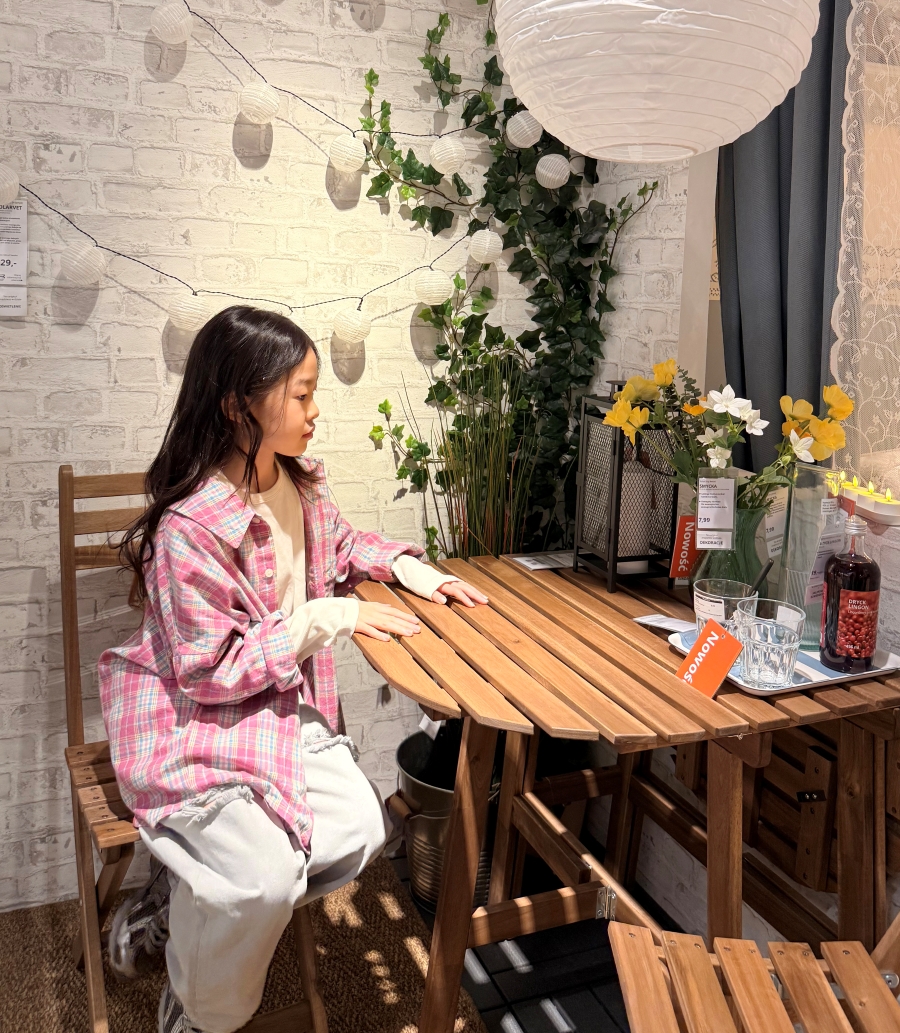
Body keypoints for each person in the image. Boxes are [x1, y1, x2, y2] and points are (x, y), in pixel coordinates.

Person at [99, 306, 488, 1033]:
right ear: (238, 404)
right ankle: (197, 1005)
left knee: (361, 830)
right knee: (262, 881)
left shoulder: (299, 484)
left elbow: (342, 546)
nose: (315, 411)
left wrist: (413, 568)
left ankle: (186, 898)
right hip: (196, 717)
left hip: (278, 708)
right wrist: (326, 618)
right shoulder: (190, 527)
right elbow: (208, 673)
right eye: (301, 394)